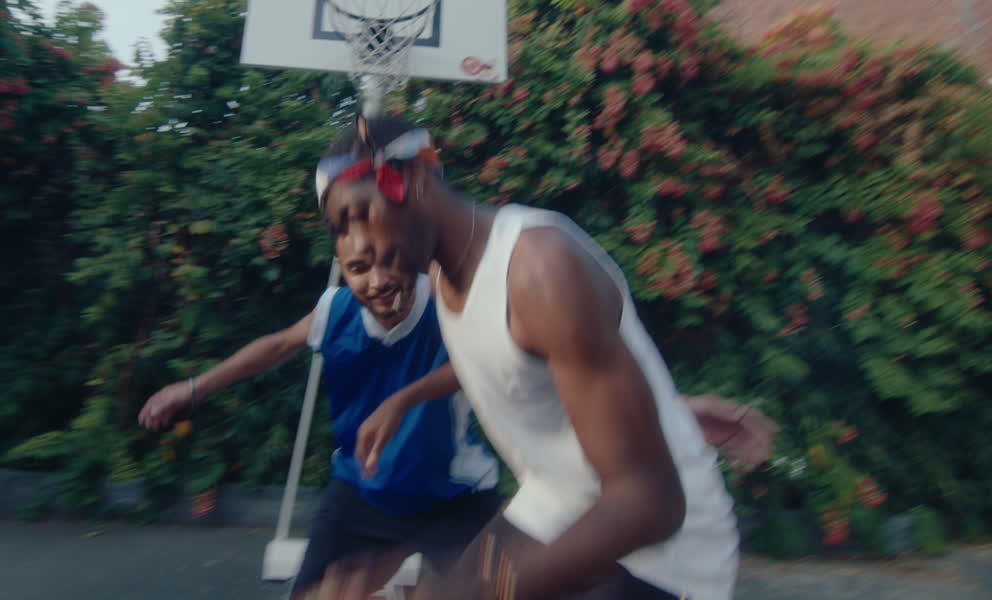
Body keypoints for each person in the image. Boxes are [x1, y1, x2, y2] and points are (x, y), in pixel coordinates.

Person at [316, 112, 750, 600]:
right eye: (340, 228)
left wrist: (474, 596)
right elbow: (502, 358)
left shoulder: (539, 269)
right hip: (558, 498)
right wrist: (404, 400)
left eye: (362, 215)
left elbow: (652, 504)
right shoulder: (439, 273)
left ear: (414, 178)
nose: (358, 242)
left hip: (666, 553)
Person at [139, 268, 505, 600]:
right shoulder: (335, 310)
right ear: (345, 264)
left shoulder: (444, 298)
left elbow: (480, 360)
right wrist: (194, 387)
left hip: (454, 496)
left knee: (507, 587)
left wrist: (404, 400)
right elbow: (278, 345)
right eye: (361, 267)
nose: (377, 282)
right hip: (363, 491)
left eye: (389, 263)